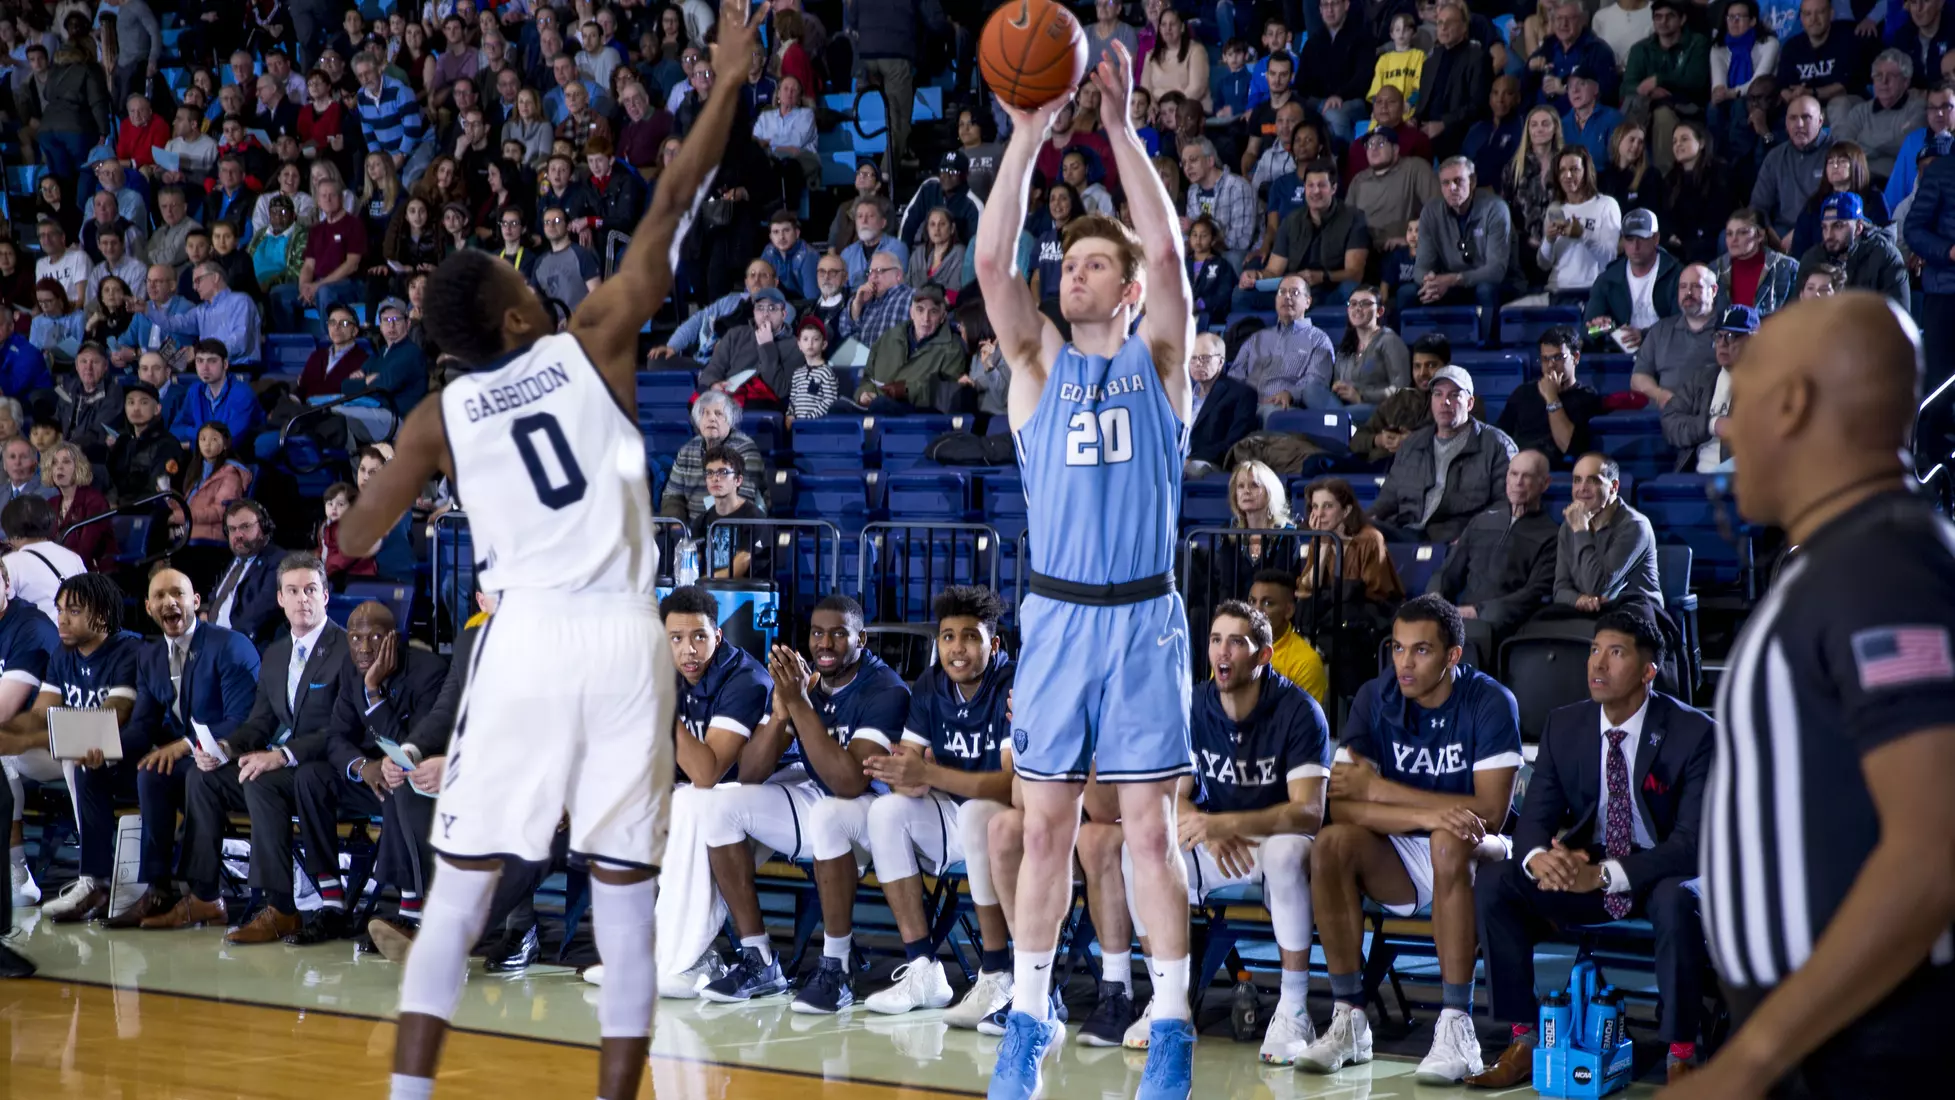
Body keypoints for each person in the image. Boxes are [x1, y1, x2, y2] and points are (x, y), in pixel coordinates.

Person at [338, 6, 766, 1097]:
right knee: (623, 894)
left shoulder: (440, 416)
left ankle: (409, 1090)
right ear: (519, 315)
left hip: (522, 636)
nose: (540, 284)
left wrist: (340, 525)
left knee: (461, 884)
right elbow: (673, 201)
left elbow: (359, 536)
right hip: (625, 635)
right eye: (524, 281)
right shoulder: (596, 340)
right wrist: (723, 83)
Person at [972, 38, 1201, 1099]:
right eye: (1066, 262)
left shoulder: (1158, 362)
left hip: (1143, 618)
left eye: (1092, 263)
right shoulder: (1033, 368)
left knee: (1146, 830)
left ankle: (1170, 1024)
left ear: (1128, 288)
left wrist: (1113, 128)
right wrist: (1024, 136)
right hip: (1059, 619)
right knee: (1042, 826)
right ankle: (1027, 1011)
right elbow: (988, 263)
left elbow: (1166, 246)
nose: (1072, 271)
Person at [1661, 293, 1955, 1100]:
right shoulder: (1844, 559)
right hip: (1831, 1046)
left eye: (1743, 397)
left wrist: (1751, 1061)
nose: (1723, 427)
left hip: (1872, 1051)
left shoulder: (1881, 568)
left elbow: (1934, 848)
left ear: (1791, 404)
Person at [1470, 610, 1716, 1087]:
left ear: (1649, 671)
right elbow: (1533, 821)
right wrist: (1539, 858)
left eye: (1617, 652)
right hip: (1586, 864)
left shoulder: (1693, 732)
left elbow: (1690, 846)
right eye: (1594, 650)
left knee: (1675, 899)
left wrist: (1603, 875)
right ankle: (1523, 1039)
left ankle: (1681, 1055)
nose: (1597, 664)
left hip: (1661, 865)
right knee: (1499, 880)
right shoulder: (1565, 725)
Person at [1296, 595, 1521, 1081]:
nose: (1404, 662)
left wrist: (1382, 793)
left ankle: (1457, 1028)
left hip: (1485, 850)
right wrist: (1420, 809)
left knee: (1448, 841)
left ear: (1452, 656)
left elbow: (1490, 814)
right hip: (1404, 847)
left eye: (1420, 650)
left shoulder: (1490, 702)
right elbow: (1345, 805)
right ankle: (1349, 1018)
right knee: (1332, 844)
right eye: (1397, 648)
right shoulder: (1374, 698)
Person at [1110, 600, 1332, 1065]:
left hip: (1273, 838)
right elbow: (1174, 794)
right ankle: (1167, 1001)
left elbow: (1308, 813)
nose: (1222, 651)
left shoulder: (1299, 710)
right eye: (1215, 640)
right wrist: (1204, 828)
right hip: (1217, 839)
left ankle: (1294, 1007)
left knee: (1290, 852)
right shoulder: (1192, 703)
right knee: (1139, 849)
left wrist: (1226, 823)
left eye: (1236, 641)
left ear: (1263, 655)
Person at [697, 597, 911, 1012]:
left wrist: (800, 705)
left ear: (861, 639)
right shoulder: (805, 685)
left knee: (833, 813)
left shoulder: (886, 689)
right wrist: (781, 715)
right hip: (818, 799)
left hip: (875, 816)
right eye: (816, 633)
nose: (824, 644)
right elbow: (750, 773)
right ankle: (758, 960)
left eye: (837, 634)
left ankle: (838, 966)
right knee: (720, 807)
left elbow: (849, 783)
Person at [144, 551, 347, 943]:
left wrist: (280, 755)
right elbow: (259, 723)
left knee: (261, 781)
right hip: (286, 767)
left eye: (311, 590)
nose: (302, 598)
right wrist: (223, 749)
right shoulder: (275, 653)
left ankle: (280, 907)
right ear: (280, 599)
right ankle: (204, 896)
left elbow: (341, 728)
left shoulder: (345, 649)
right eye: (293, 590)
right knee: (204, 779)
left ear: (326, 596)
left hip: (325, 770)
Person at [856, 585, 1016, 1019]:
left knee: (980, 815)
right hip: (953, 812)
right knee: (886, 811)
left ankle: (998, 973)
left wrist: (929, 774)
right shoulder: (930, 684)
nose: (957, 649)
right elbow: (912, 765)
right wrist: (899, 772)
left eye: (969, 636)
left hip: (1009, 827)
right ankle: (923, 967)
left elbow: (1010, 787)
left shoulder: (1012, 682)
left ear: (993, 644)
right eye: (947, 637)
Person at [98, 569, 260, 930]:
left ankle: (203, 896)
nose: (170, 602)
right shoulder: (150, 656)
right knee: (144, 772)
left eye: (178, 594)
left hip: (229, 759)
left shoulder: (229, 645)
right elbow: (143, 726)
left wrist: (184, 745)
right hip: (187, 762)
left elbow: (243, 719)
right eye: (160, 596)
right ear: (149, 607)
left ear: (195, 602)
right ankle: (156, 890)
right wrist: (106, 748)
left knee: (180, 774)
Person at [280, 600, 448, 945]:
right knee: (310, 777)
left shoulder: (429, 670)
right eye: (355, 638)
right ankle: (331, 903)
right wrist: (363, 767)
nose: (364, 646)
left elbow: (417, 745)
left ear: (394, 639)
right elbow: (337, 736)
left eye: (375, 637)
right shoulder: (349, 668)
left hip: (416, 778)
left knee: (399, 781)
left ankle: (410, 914)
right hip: (371, 776)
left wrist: (374, 692)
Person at [0, 575, 144, 923]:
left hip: (129, 754)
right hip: (78, 751)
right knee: (7, 756)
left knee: (74, 755)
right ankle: (17, 875)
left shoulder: (131, 650)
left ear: (102, 616)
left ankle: (92, 877)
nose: (62, 619)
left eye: (74, 611)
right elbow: (39, 718)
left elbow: (112, 717)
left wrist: (36, 732)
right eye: (61, 609)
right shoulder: (63, 655)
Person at [1429, 450, 1559, 665]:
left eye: (1526, 476)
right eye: (1513, 474)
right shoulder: (1482, 521)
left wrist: (1477, 612)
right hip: (1463, 616)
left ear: (1544, 483)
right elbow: (1449, 571)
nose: (1518, 482)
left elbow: (1532, 593)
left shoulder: (1551, 535)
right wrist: (1435, 597)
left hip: (1504, 622)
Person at [1371, 366, 1519, 544]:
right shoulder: (1412, 444)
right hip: (1406, 532)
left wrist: (1471, 535)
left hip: (1456, 539)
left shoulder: (1498, 446)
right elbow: (1387, 499)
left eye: (1454, 395)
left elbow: (1507, 505)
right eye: (1438, 394)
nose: (1445, 402)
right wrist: (1361, 523)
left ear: (1470, 403)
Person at [1409, 157, 1515, 345]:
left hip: (1496, 283)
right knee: (1406, 293)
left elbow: (1496, 271)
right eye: (1446, 183)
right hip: (1451, 285)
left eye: (1458, 181)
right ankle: (1419, 353)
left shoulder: (1495, 209)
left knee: (1485, 291)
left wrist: (1452, 280)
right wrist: (1430, 281)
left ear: (1472, 182)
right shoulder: (1431, 212)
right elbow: (1420, 268)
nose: (1452, 188)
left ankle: (1487, 351)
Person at [1555, 452, 1662, 612]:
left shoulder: (1635, 526)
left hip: (1635, 613)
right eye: (1577, 480)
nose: (1582, 488)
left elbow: (1596, 587)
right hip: (1587, 613)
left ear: (1614, 487)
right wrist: (1578, 599)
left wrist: (1581, 532)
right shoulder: (1570, 525)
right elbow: (1559, 590)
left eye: (1592, 480)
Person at [1229, 275, 1336, 418]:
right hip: (1248, 405)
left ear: (1308, 302)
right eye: (1282, 292)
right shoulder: (1257, 338)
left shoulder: (1319, 340)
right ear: (1276, 300)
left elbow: (1316, 381)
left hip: (1284, 407)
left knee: (1272, 414)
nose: (1287, 297)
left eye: (1295, 293)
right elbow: (1235, 375)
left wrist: (1291, 393)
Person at [855, 286, 970, 415]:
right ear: (911, 313)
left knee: (881, 405)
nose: (925, 319)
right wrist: (864, 394)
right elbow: (867, 376)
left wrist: (907, 390)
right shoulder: (889, 337)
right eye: (920, 310)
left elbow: (948, 393)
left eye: (933, 312)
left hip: (918, 414)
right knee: (838, 408)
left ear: (943, 317)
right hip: (877, 405)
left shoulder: (952, 347)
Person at [1499, 325, 1602, 466]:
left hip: (1556, 470)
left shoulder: (1587, 397)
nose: (1550, 365)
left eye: (1558, 358)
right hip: (1519, 467)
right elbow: (1500, 438)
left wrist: (1551, 397)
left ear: (1576, 357)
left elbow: (1568, 447)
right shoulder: (1523, 393)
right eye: (1545, 359)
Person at [1631, 263, 1723, 409]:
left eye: (1696, 286)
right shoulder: (1660, 330)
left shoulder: (1728, 330)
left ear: (1713, 290)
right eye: (1683, 287)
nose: (1688, 293)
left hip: (1712, 413)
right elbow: (1638, 377)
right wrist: (1660, 395)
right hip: (1667, 416)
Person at [1797, 192, 1911, 306]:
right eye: (1825, 227)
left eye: (1838, 226)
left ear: (1858, 228)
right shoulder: (1813, 258)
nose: (1829, 235)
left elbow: (1899, 317)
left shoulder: (1886, 257)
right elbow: (1793, 310)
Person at [1751, 94, 1834, 236]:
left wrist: (1800, 233)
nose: (1799, 124)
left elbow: (1840, 207)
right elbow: (1758, 206)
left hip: (1821, 230)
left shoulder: (1837, 153)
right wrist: (1768, 233)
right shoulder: (1775, 156)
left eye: (1806, 117)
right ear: (1786, 124)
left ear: (1820, 121)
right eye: (1793, 118)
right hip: (1779, 231)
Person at [1246, 570, 1332, 703]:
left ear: (1289, 611)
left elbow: (1303, 720)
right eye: (1252, 601)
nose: (1256, 611)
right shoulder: (1230, 648)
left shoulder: (1306, 663)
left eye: (1268, 603)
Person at [1185, 332, 1258, 477]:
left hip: (1208, 462)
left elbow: (1233, 444)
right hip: (1175, 459)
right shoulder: (1182, 393)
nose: (1198, 363)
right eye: (1193, 358)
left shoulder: (1241, 394)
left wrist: (1189, 458)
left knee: (1190, 469)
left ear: (1220, 361)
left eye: (1205, 358)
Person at [0, 495, 84, 620]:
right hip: (73, 635)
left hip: (32, 636)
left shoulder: (9, 563)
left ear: (10, 531)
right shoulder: (73, 558)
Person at [170, 339, 265, 444]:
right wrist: (200, 434)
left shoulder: (242, 394)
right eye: (200, 361)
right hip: (204, 454)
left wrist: (193, 440)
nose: (205, 368)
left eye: (212, 361)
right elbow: (175, 430)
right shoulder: (195, 390)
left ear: (225, 364)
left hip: (239, 456)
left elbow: (229, 439)